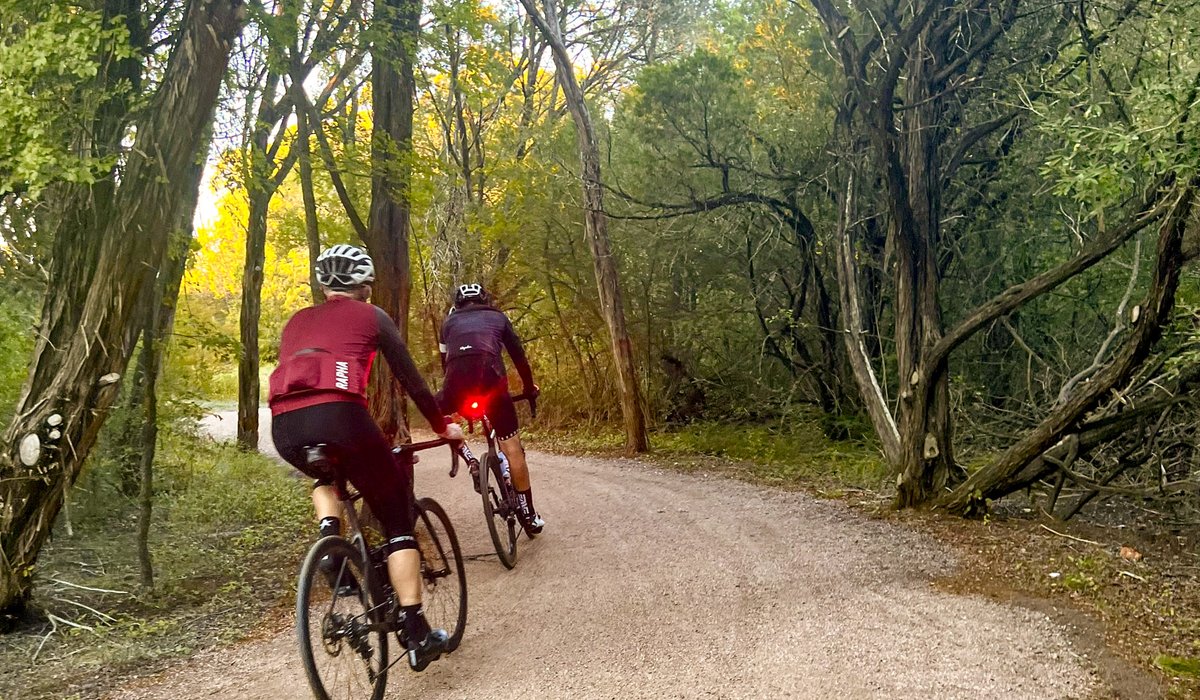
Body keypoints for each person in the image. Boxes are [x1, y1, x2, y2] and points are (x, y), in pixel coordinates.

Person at [268, 244, 464, 672]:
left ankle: (329, 541)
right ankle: (416, 633)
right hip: (343, 417)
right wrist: (441, 425)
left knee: (326, 475)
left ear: (323, 286)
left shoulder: (297, 320)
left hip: (284, 426)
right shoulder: (372, 317)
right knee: (396, 517)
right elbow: (412, 380)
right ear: (366, 286)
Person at [438, 283, 544, 534]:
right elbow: (519, 357)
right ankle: (529, 514)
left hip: (456, 384)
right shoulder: (497, 317)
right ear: (484, 300)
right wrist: (529, 388)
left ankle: (470, 459)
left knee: (437, 414)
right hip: (492, 383)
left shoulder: (447, 323)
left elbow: (446, 364)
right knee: (513, 450)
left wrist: (455, 399)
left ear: (458, 303)